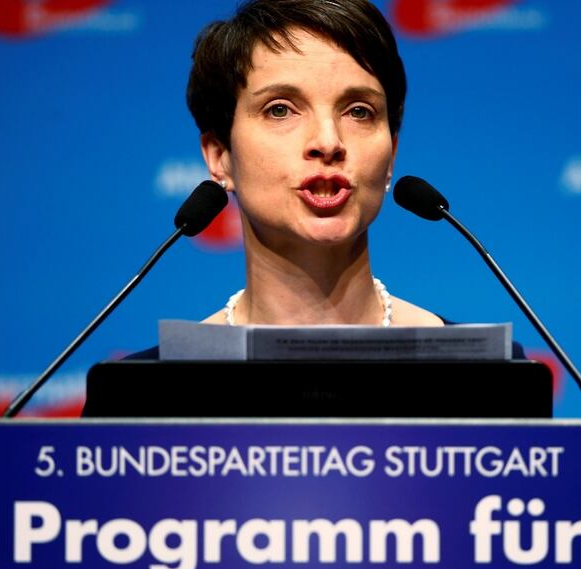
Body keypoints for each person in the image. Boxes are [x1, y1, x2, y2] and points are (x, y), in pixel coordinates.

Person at [187, 0, 444, 328]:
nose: (328, 142)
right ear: (219, 156)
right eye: (279, 109)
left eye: (358, 111)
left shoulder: (486, 371)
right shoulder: (149, 378)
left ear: (391, 154)